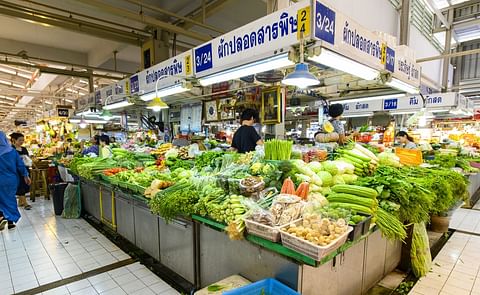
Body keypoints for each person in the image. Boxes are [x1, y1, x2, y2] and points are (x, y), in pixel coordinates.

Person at [0, 131, 30, 230]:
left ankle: (1, 217)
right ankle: (11, 221)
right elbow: (20, 165)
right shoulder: (12, 151)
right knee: (10, 198)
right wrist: (26, 175)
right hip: (11, 179)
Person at [10, 132, 32, 210]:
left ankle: (20, 201)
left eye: (23, 140)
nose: (22, 142)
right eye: (20, 140)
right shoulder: (11, 149)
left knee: (26, 185)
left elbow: (28, 158)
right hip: (16, 171)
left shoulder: (24, 149)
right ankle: (25, 203)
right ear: (14, 140)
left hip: (25, 169)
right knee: (20, 186)